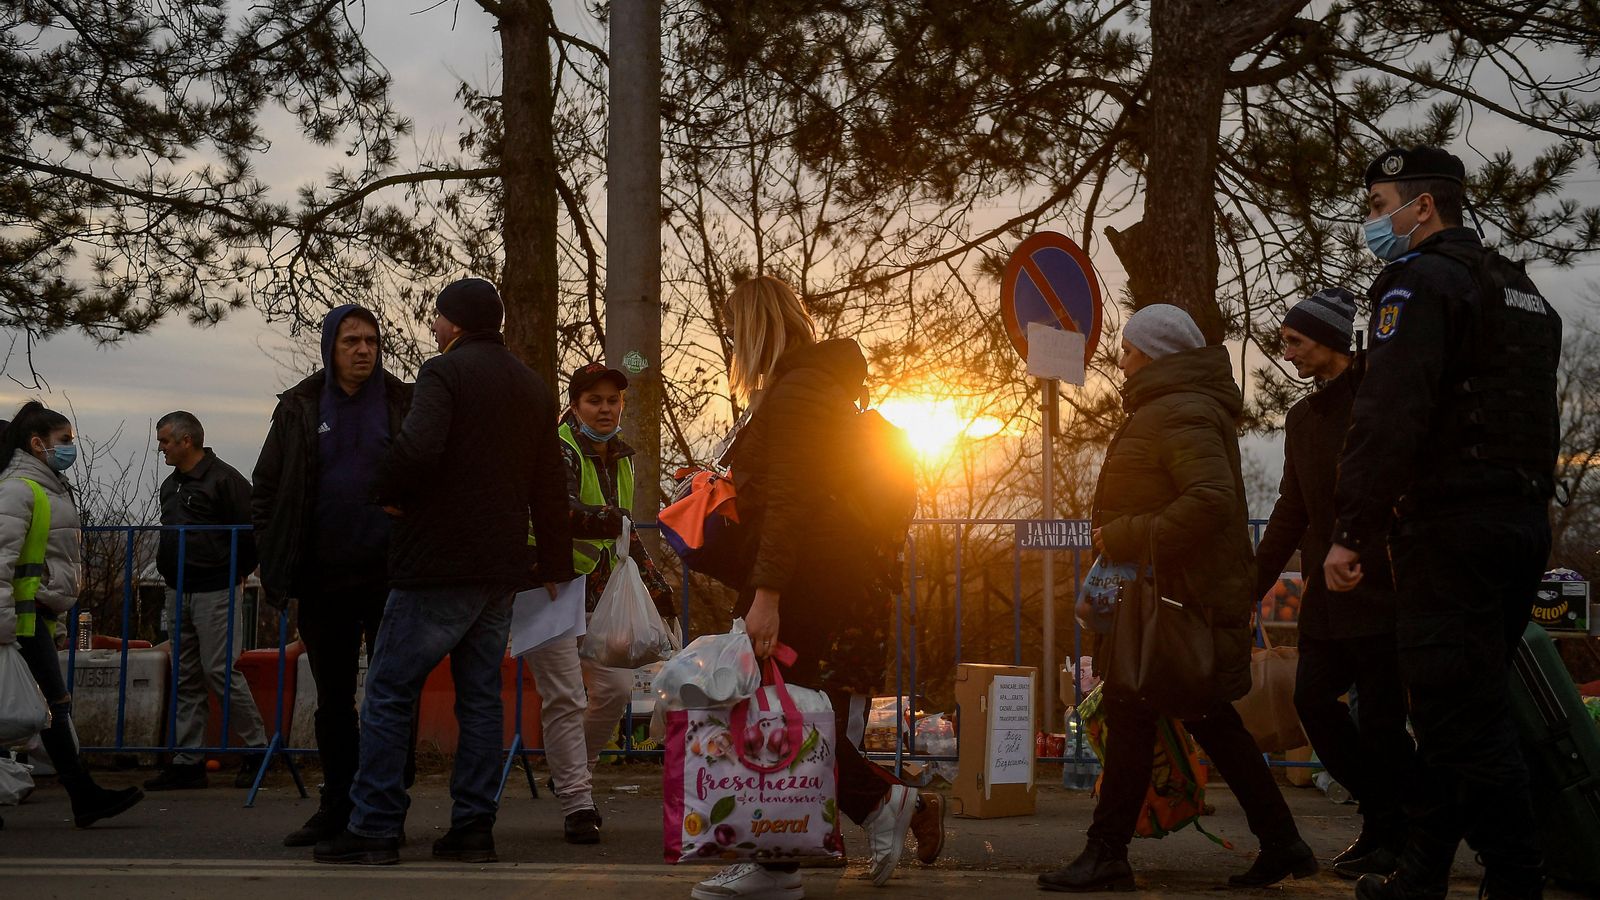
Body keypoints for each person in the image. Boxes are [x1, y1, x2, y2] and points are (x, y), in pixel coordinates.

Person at [1327, 146, 1561, 900]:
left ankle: (1515, 879)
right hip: (1518, 522)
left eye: (1377, 205)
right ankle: (1424, 867)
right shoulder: (1520, 292)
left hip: (1450, 529)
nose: (1372, 222)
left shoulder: (1417, 284)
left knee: (1461, 716)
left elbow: (1390, 414)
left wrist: (1352, 529)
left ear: (1421, 207)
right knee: (1463, 704)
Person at [1041, 304, 1315, 892]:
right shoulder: (1173, 407)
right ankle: (1282, 841)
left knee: (1135, 708)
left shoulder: (1180, 410)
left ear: (1155, 354)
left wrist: (1127, 533)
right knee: (1205, 717)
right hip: (1169, 596)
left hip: (1172, 601)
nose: (1121, 358)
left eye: (1130, 349)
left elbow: (1211, 497)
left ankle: (1108, 851)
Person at [692, 275, 943, 900]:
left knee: (763, 707)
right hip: (806, 571)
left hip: (802, 575)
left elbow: (792, 500)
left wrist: (768, 594)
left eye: (733, 331)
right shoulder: (808, 386)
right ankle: (872, 812)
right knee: (776, 707)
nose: (730, 344)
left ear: (755, 329)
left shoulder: (800, 390)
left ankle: (783, 862)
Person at [313, 277, 574, 866]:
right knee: (481, 697)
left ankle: (375, 825)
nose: (434, 328)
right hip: (501, 565)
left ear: (452, 324)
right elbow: (548, 479)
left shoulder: (443, 372)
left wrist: (387, 490)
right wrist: (554, 559)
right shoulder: (531, 385)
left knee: (387, 688)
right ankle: (473, 828)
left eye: (437, 319)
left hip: (438, 563)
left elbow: (420, 446)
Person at [1253, 288, 1415, 879]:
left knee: (1379, 718)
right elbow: (1291, 510)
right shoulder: (1303, 418)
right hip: (1326, 596)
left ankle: (1396, 830)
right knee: (1312, 701)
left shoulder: (1377, 400)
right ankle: (1387, 815)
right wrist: (1253, 583)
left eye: (1296, 341)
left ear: (1328, 339)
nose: (1287, 352)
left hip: (1380, 585)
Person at [252, 304, 415, 847]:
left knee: (392, 697)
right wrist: (274, 554)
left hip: (393, 578)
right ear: (331, 347)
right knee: (334, 700)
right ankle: (336, 805)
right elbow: (267, 488)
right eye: (351, 341)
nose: (363, 349)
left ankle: (385, 803)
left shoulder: (402, 401)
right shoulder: (299, 406)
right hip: (323, 579)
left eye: (371, 340)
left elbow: (429, 478)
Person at [523, 361, 677, 844]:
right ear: (574, 405)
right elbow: (562, 512)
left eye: (613, 401)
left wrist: (656, 587)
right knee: (565, 695)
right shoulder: (556, 448)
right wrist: (612, 522)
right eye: (595, 401)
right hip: (543, 585)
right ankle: (577, 800)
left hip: (594, 592)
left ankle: (573, 775)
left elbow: (624, 534)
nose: (605, 409)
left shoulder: (622, 458)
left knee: (612, 691)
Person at [0, 403, 145, 827]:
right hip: (18, 622)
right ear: (37, 444)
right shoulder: (20, 490)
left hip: (33, 618)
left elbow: (44, 562)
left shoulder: (44, 487)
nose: (71, 448)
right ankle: (83, 794)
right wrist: (4, 626)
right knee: (52, 706)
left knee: (49, 707)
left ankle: (84, 795)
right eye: (65, 441)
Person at [145, 410, 269, 791]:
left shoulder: (225, 480)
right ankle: (188, 760)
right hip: (177, 586)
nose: (161, 447)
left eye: (166, 440)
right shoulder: (172, 485)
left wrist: (236, 572)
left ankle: (256, 751)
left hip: (215, 586)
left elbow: (251, 532)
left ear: (186, 441)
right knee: (186, 676)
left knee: (219, 670)